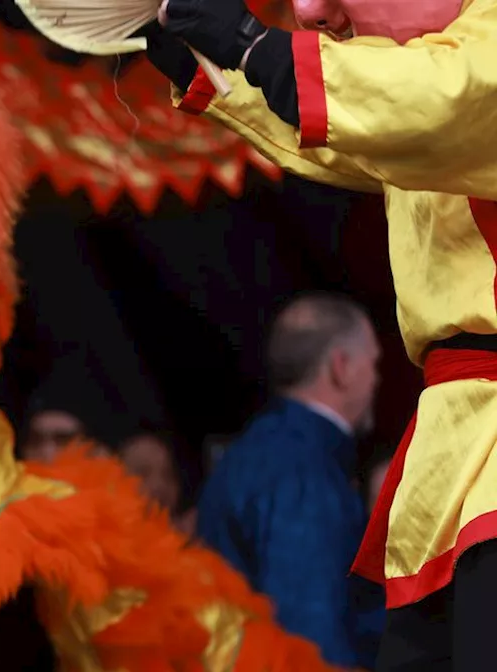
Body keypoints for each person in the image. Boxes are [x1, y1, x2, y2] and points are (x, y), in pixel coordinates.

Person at [144, 0, 497, 667]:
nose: (313, 11)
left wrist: (251, 43)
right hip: (456, 465)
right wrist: (183, 46)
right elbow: (339, 124)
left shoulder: (462, 77)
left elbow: (431, 98)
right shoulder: (417, 111)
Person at [194, 293, 381, 668]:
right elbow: (310, 638)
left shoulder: (252, 452)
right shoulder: (302, 472)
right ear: (341, 367)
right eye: (374, 364)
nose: (377, 379)